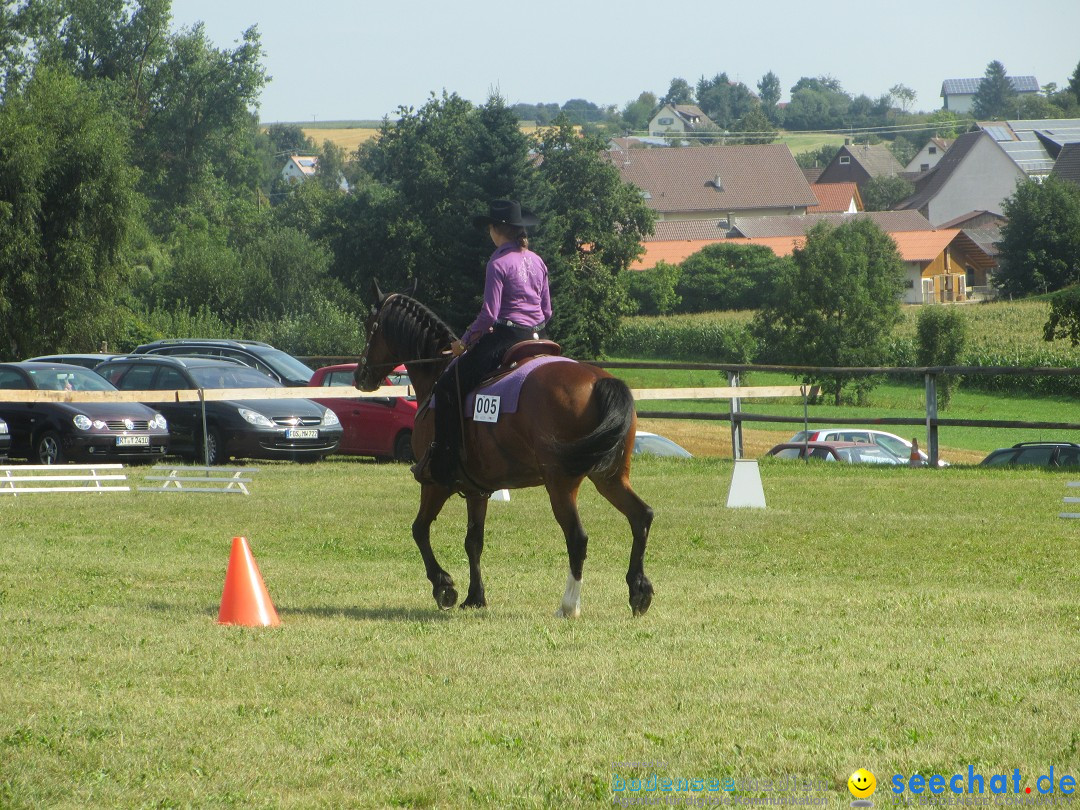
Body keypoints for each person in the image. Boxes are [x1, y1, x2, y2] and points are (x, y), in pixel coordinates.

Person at [413, 199, 552, 487]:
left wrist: (463, 343)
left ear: (497, 229)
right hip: (537, 337)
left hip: (504, 337)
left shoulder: (498, 262)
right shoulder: (538, 261)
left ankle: (446, 458)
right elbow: (547, 311)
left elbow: (489, 314)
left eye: (490, 227)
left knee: (449, 385)